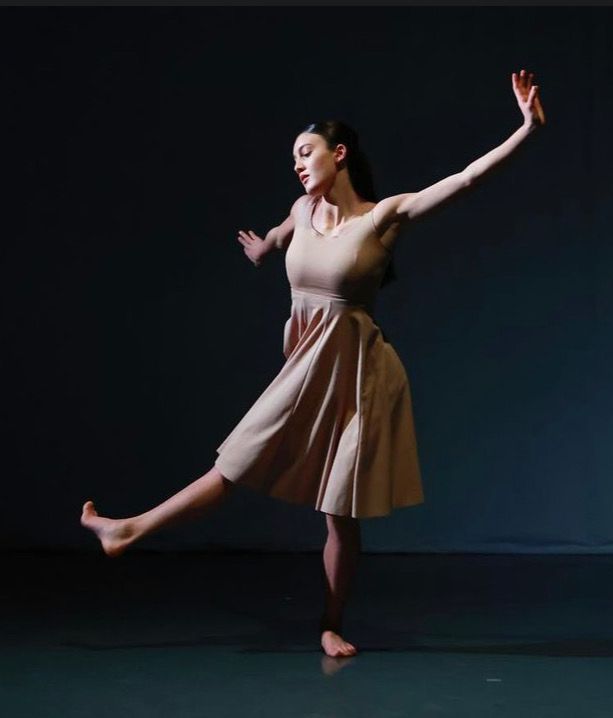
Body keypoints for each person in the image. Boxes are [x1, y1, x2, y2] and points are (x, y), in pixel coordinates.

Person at [82, 70, 546, 658]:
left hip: (357, 374)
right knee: (237, 461)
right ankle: (127, 531)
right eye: (295, 158)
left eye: (307, 153)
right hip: (305, 366)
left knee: (338, 513)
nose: (299, 165)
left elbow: (463, 180)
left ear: (340, 153)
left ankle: (329, 622)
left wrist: (525, 129)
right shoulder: (303, 210)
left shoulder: (383, 218)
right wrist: (263, 249)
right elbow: (278, 235)